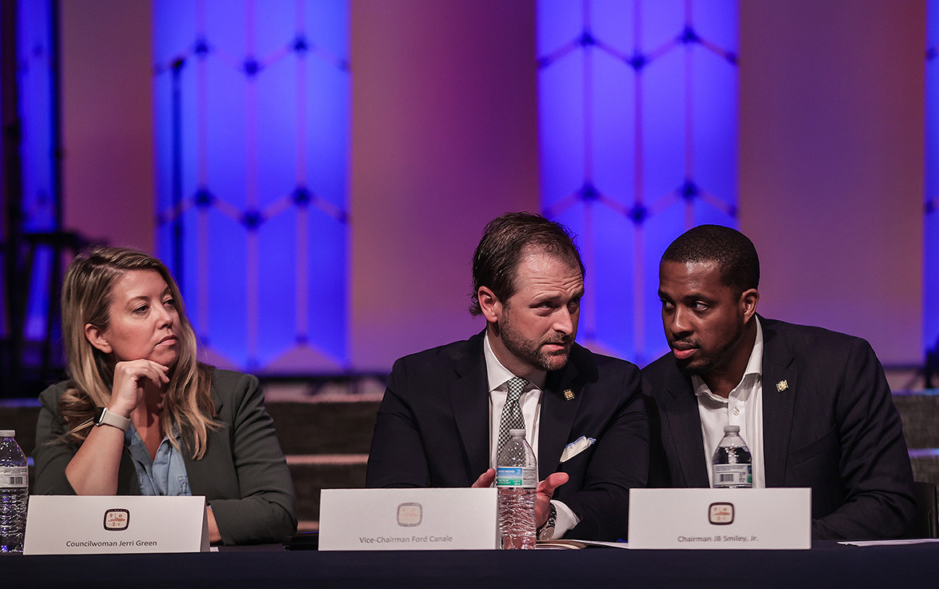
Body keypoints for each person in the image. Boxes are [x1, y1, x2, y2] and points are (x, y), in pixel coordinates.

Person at [366, 212, 648, 541]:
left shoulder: (610, 385)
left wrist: (550, 515)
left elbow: (622, 499)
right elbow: (390, 501)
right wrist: (462, 513)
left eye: (573, 303)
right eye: (546, 306)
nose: (567, 326)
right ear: (491, 304)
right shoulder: (419, 382)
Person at [643, 224, 915, 539]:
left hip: (811, 580)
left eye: (698, 306)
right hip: (698, 583)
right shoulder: (646, 392)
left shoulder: (838, 367)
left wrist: (780, 543)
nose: (677, 324)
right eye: (668, 304)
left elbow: (888, 504)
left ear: (746, 304)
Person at [33, 247, 297, 545]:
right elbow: (59, 525)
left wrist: (144, 528)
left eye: (168, 302)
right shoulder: (62, 407)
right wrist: (116, 411)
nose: (166, 317)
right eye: (141, 309)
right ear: (99, 337)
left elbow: (276, 512)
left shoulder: (232, 394)